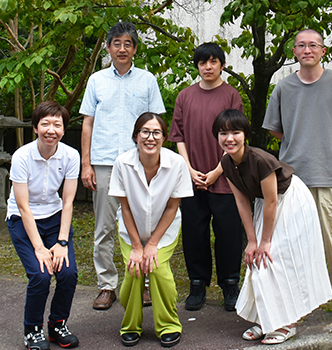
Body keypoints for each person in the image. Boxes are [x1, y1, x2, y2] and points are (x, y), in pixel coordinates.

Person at [263, 28, 332, 321]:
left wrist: (328, 145)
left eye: (313, 45)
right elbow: (275, 129)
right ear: (293, 52)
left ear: (322, 50)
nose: (307, 50)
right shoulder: (284, 88)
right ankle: (299, 298)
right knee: (294, 239)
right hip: (294, 179)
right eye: (301, 46)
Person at [212, 109, 332, 344]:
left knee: (275, 257)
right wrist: (252, 241)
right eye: (223, 133)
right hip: (266, 204)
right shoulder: (226, 163)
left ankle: (287, 324)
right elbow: (241, 201)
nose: (229, 138)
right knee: (257, 258)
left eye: (235, 132)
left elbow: (272, 200)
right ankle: (266, 319)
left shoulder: (260, 159)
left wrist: (265, 241)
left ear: (245, 135)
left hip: (290, 200)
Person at [79, 21, 165, 311]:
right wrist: (86, 163)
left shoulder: (147, 80)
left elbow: (156, 122)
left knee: (140, 227)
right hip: (103, 162)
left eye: (128, 43)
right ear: (108, 48)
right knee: (103, 227)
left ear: (135, 48)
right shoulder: (96, 81)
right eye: (117, 43)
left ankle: (141, 283)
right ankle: (106, 285)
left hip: (138, 163)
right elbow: (88, 122)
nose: (122, 48)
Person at [168, 42, 243, 312]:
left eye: (213, 61)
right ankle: (197, 284)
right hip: (192, 180)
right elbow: (178, 137)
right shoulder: (184, 96)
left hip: (225, 177)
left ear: (222, 64)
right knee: (194, 234)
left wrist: (216, 172)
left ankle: (230, 284)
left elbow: (235, 139)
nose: (207, 67)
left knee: (229, 234)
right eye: (202, 62)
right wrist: (189, 170)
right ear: (197, 66)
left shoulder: (231, 95)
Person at [108, 113, 193, 347]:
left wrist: (152, 244)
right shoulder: (122, 163)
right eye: (145, 131)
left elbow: (172, 207)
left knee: (156, 269)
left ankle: (168, 325)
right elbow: (124, 207)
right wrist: (137, 246)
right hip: (130, 230)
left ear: (164, 138)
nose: (150, 137)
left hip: (164, 231)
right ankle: (130, 326)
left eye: (156, 133)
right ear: (136, 136)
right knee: (134, 270)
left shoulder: (176, 164)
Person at [6, 101, 80, 350]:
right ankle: (32, 329)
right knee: (40, 274)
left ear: (64, 128)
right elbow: (24, 206)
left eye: (57, 124)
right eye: (45, 124)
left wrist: (61, 242)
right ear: (36, 128)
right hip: (22, 218)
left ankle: (57, 324)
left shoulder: (71, 155)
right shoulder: (22, 156)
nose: (51, 129)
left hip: (55, 216)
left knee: (68, 273)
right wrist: (39, 247)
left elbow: (68, 201)